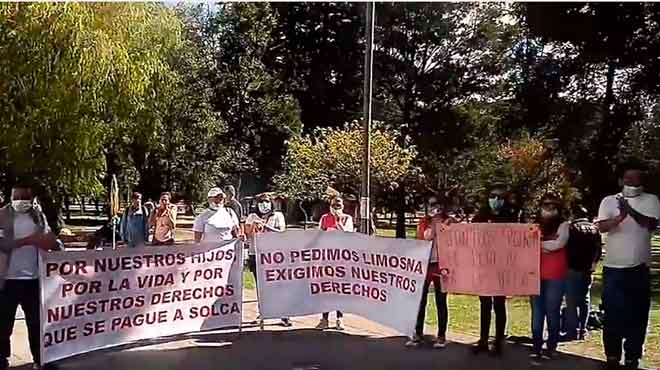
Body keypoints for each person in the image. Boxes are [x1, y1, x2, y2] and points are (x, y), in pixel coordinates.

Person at [596, 162, 660, 370]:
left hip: (639, 268)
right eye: (627, 178)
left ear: (641, 180)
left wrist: (630, 210)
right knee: (612, 314)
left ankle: (632, 357)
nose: (630, 182)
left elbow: (650, 224)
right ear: (621, 180)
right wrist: (620, 217)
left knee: (637, 314)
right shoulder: (608, 200)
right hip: (613, 267)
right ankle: (612, 356)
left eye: (635, 178)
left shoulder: (651, 200)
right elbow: (601, 227)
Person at [0, 183, 60, 370]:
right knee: (3, 325)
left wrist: (52, 242)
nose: (20, 200)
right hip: (7, 280)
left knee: (36, 324)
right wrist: (28, 241)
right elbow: (3, 245)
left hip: (34, 280)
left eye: (24, 196)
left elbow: (50, 241)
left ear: (31, 196)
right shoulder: (2, 216)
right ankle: (1, 359)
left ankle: (40, 360)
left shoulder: (38, 216)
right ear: (10, 196)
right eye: (16, 196)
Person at [471, 184, 518, 357]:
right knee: (484, 305)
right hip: (484, 267)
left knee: (499, 305)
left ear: (504, 200)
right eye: (492, 196)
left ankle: (498, 342)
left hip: (501, 268)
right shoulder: (481, 215)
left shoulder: (510, 217)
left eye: (499, 197)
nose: (495, 200)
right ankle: (483, 340)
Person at [405, 196, 450, 349]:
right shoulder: (424, 222)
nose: (433, 207)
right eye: (430, 204)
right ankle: (417, 333)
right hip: (424, 265)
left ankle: (441, 336)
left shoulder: (448, 222)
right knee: (420, 301)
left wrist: (442, 224)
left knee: (441, 301)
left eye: (436, 204)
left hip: (441, 266)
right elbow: (423, 238)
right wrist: (431, 225)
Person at [530, 193, 569, 365]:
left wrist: (538, 245)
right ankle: (536, 346)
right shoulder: (534, 224)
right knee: (537, 313)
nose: (549, 208)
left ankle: (551, 346)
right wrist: (546, 245)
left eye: (553, 205)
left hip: (555, 274)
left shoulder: (564, 224)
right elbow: (526, 244)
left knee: (552, 310)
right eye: (545, 204)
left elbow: (559, 244)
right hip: (535, 273)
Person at [245, 193, 290, 327]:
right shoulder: (252, 216)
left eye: (267, 201)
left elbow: (282, 233)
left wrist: (266, 227)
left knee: (278, 285)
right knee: (260, 287)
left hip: (273, 256)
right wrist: (254, 226)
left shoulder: (278, 216)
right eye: (262, 202)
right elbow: (248, 233)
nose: (264, 204)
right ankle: (262, 312)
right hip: (256, 254)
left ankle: (284, 314)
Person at [562, 205, 602, 342]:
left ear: (574, 214)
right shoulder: (595, 229)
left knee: (571, 301)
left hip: (572, 268)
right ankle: (583, 330)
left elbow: (565, 248)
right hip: (588, 269)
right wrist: (594, 264)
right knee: (585, 299)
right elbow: (598, 250)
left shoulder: (571, 228)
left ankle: (572, 331)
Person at [316, 196, 354, 330]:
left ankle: (339, 318)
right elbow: (319, 236)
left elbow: (348, 235)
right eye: (334, 205)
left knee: (340, 290)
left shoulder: (347, 218)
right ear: (330, 206)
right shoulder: (324, 218)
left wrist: (338, 222)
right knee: (326, 289)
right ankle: (324, 318)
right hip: (327, 259)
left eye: (339, 205)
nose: (336, 207)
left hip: (341, 260)